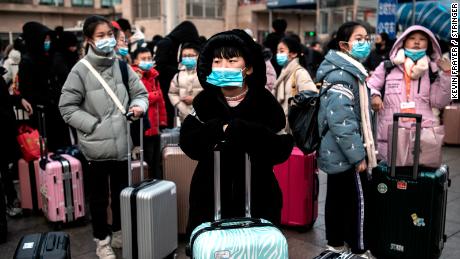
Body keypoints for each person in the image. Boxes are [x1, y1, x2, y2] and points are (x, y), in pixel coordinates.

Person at [180, 29, 294, 238]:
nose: (223, 67)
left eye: (231, 61)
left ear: (248, 68)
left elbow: (282, 148)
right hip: (209, 199)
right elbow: (188, 143)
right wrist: (217, 130)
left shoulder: (265, 102)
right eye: (217, 61)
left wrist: (244, 131)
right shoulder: (204, 102)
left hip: (257, 198)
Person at [59, 15, 148, 259]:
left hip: (122, 145)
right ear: (89, 40)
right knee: (98, 199)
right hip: (95, 148)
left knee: (122, 193)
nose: (107, 40)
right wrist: (93, 125)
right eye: (101, 36)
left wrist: (139, 106)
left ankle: (119, 232)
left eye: (109, 35)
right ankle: (102, 241)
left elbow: (141, 92)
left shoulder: (121, 65)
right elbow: (66, 107)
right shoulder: (80, 70)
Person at [316, 21, 377, 258]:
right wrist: (358, 155)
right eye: (359, 38)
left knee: (337, 199)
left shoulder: (346, 71)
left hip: (335, 151)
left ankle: (336, 244)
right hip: (346, 152)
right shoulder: (343, 74)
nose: (365, 43)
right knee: (358, 203)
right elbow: (341, 120)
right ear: (344, 45)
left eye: (366, 38)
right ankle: (360, 249)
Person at [367, 25, 452, 161]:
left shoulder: (433, 70)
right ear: (403, 41)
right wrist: (375, 96)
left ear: (429, 43)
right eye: (412, 38)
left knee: (418, 178)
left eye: (422, 39)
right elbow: (370, 86)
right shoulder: (388, 66)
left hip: (421, 133)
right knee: (389, 177)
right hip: (391, 132)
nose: (417, 42)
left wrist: (448, 75)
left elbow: (439, 102)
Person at [18, 22, 71, 151]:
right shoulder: (27, 61)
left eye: (49, 39)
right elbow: (25, 89)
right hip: (41, 114)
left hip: (57, 109)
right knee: (47, 150)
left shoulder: (51, 57)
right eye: (45, 39)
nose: (48, 42)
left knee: (63, 148)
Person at [155, 21, 200, 128]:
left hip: (175, 83)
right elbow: (161, 66)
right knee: (168, 115)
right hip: (165, 84)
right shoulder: (166, 43)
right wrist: (180, 71)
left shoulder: (176, 43)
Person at [0, 66, 32, 217]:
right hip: (3, 128)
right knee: (4, 169)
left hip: (6, 128)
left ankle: (12, 200)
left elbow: (5, 100)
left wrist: (20, 99)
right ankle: (10, 202)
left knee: (5, 168)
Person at [131, 47, 167, 179]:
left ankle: (156, 187)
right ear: (135, 60)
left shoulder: (154, 75)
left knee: (156, 160)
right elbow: (140, 98)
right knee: (147, 161)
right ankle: (147, 187)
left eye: (149, 58)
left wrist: (163, 121)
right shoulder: (134, 76)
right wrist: (156, 94)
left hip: (155, 127)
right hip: (144, 128)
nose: (147, 61)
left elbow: (161, 103)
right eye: (143, 59)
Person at [272, 36, 317, 130]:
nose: (278, 54)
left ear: (293, 54)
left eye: (282, 51)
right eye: (277, 51)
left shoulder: (300, 73)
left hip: (293, 128)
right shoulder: (284, 72)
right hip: (283, 126)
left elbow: (312, 96)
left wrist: (295, 107)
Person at [168, 42, 203, 124]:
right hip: (184, 117)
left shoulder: (205, 74)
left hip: (203, 117)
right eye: (184, 56)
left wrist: (195, 100)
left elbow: (212, 93)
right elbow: (172, 93)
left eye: (191, 55)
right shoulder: (178, 75)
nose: (187, 58)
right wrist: (180, 105)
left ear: (198, 56)